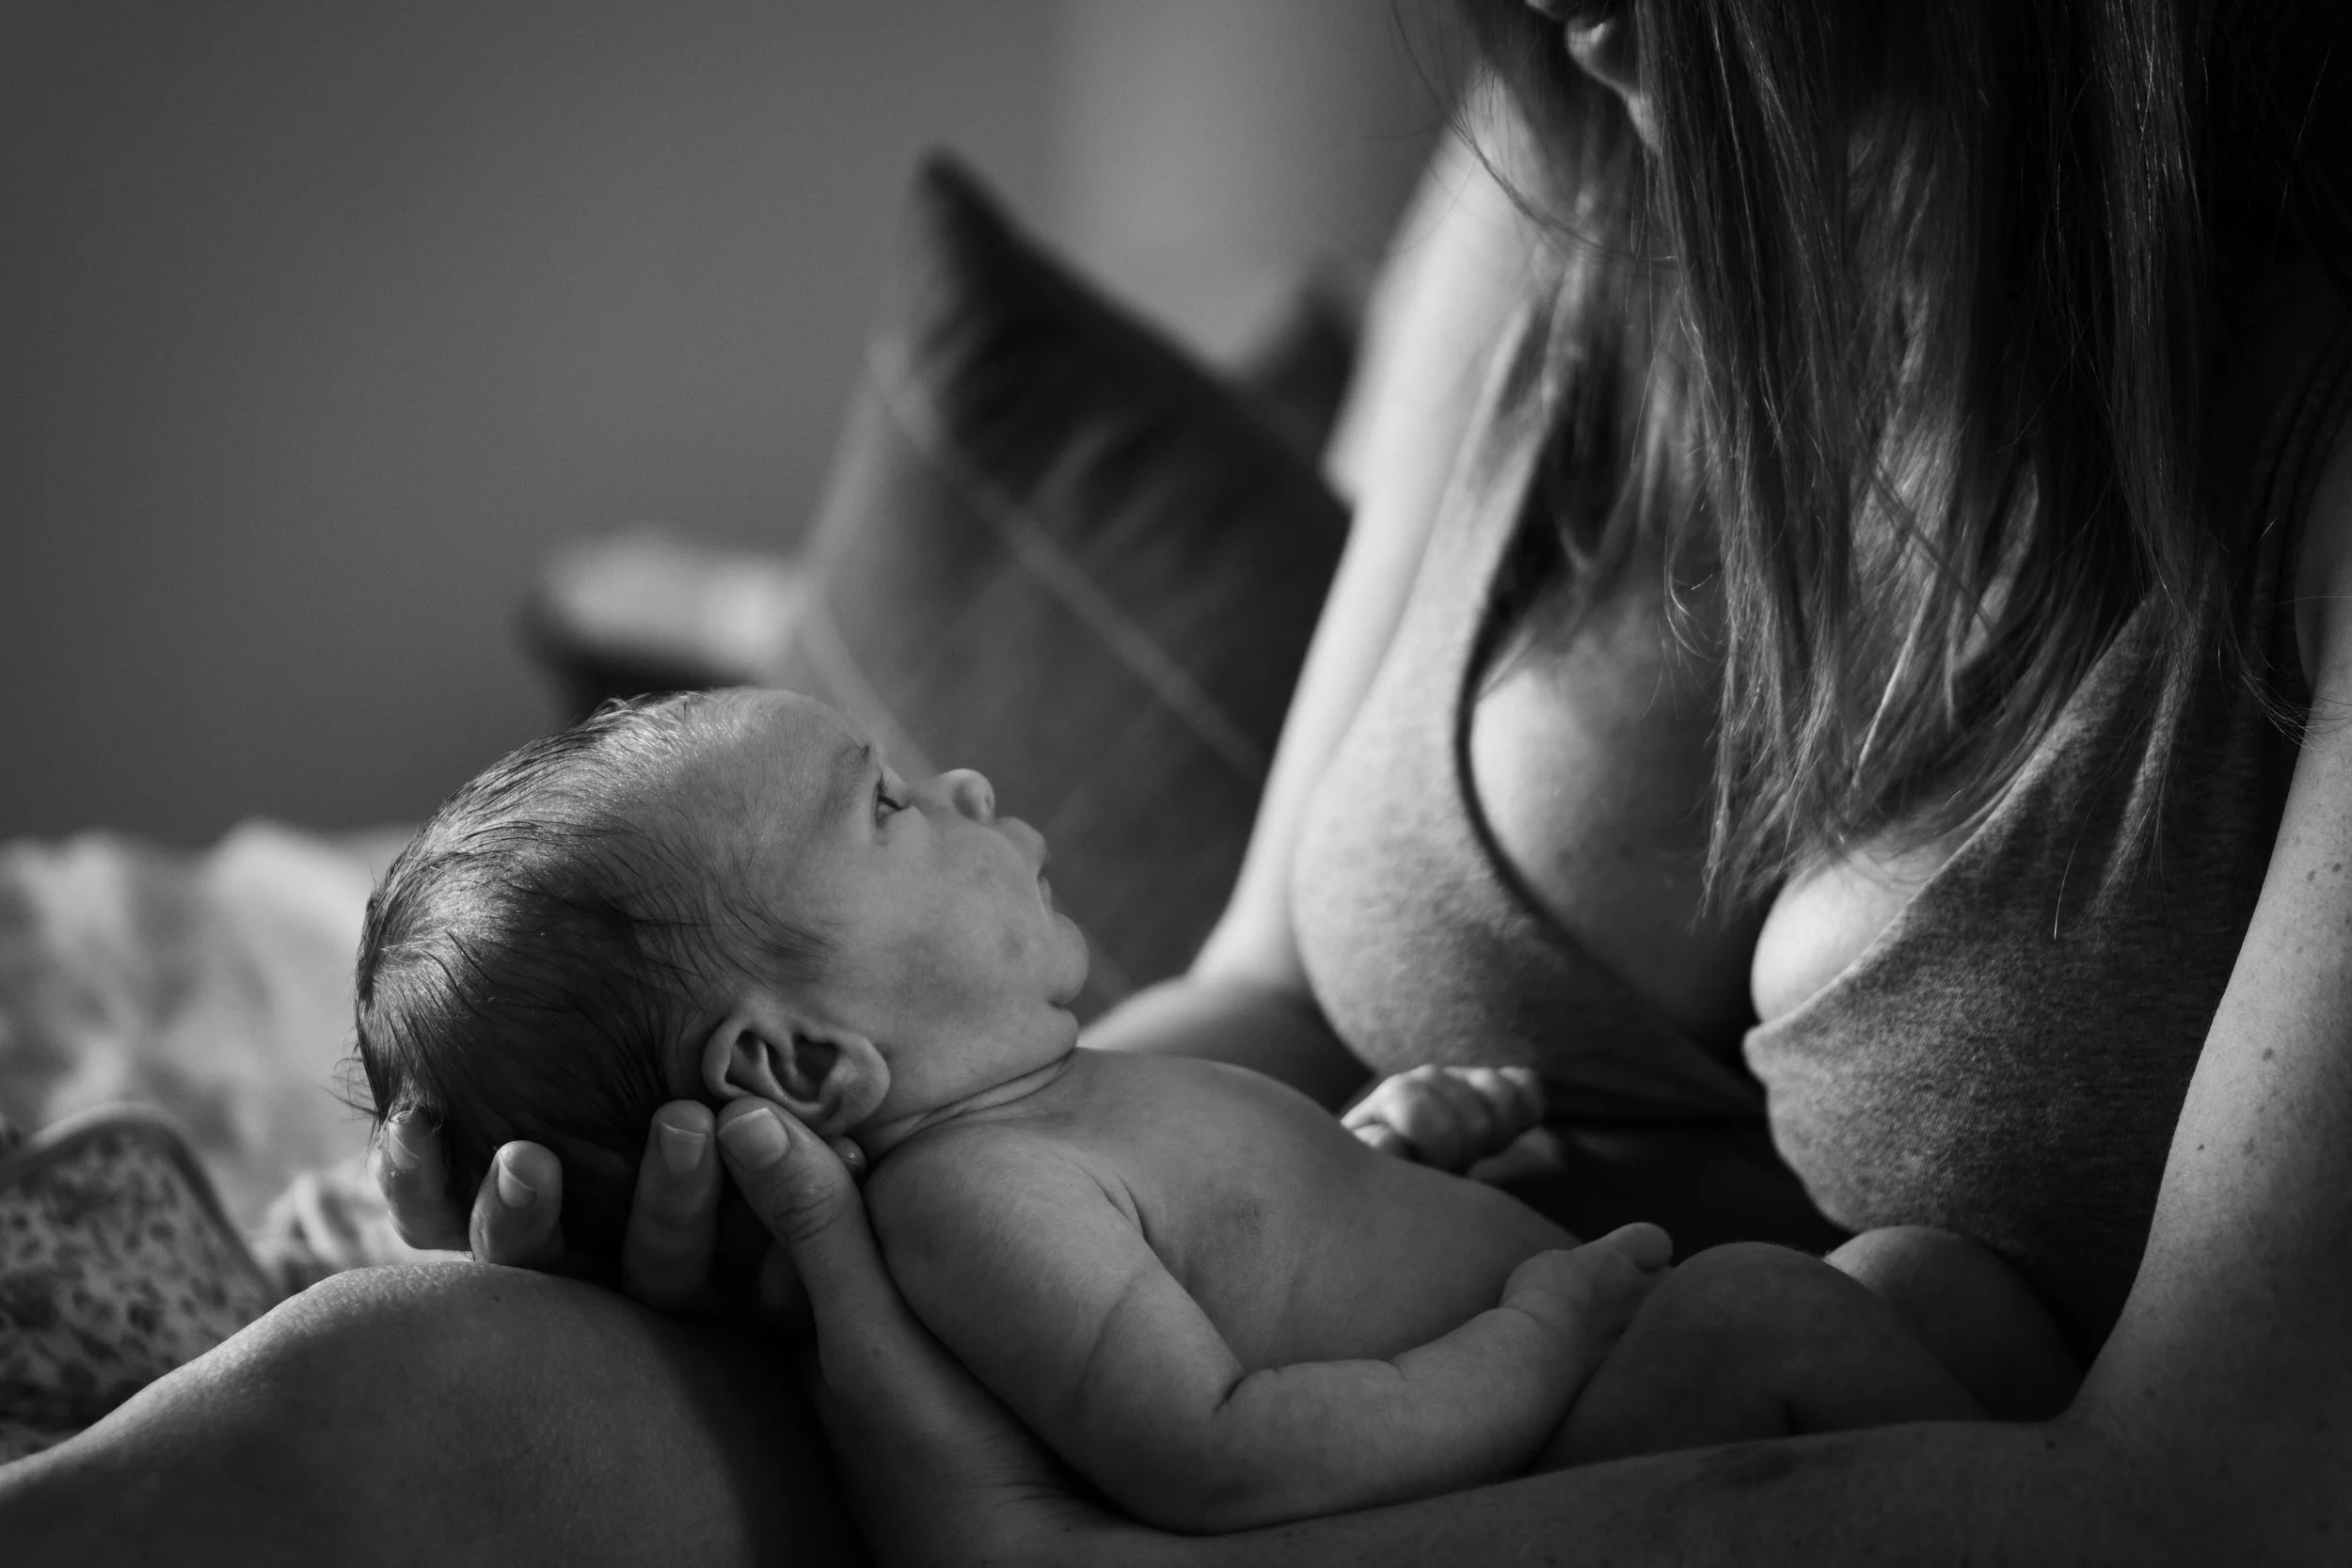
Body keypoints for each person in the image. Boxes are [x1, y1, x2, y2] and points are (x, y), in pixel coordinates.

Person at [6, 0, 2351, 1560]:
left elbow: (2221, 1498)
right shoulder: (1569, 174)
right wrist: (851, 1215)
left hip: (1790, 1477)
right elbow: (1260, 1007)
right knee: (411, 1396)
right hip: (1255, 1404)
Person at [352, 685, 2060, 1531]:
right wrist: (1534, 1331)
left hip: (1541, 1382)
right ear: (798, 1068)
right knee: (1777, 1310)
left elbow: (1241, 1259)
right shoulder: (980, 1202)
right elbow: (1225, 1446)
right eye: (876, 807)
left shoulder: (1056, 1111)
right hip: (1522, 1452)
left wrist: (1373, 1156)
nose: (959, 784)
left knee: (1932, 1280)